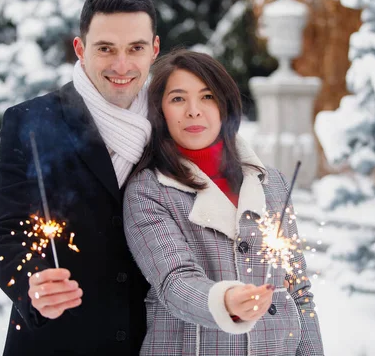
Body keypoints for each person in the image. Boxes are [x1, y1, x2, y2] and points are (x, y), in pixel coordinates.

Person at [0, 0, 160, 355]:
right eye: (106, 48)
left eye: (136, 48)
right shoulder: (29, 122)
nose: (122, 65)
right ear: (81, 50)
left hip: (154, 342)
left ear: (154, 50)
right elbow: (5, 231)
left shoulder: (173, 125)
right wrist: (31, 283)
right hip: (58, 341)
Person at [123, 49, 325, 355]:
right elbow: (174, 281)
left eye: (207, 97)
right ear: (159, 111)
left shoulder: (272, 184)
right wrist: (225, 301)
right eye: (178, 99)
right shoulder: (149, 190)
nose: (193, 110)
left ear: (225, 106)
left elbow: (298, 290)